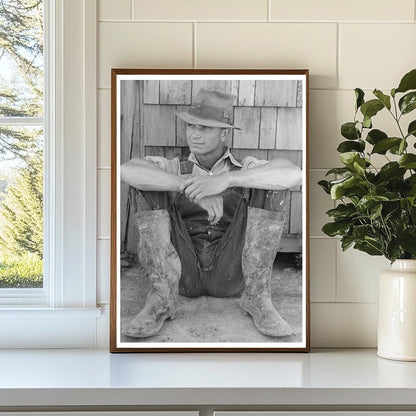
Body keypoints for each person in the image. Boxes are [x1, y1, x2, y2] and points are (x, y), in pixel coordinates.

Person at [120, 89, 302, 339]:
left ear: (224, 133)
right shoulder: (175, 168)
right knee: (147, 184)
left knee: (268, 185)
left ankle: (257, 297)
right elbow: (127, 170)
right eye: (191, 126)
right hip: (182, 272)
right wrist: (187, 186)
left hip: (230, 272)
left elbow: (292, 174)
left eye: (205, 128)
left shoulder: (243, 168)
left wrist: (226, 180)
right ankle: (161, 299)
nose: (194, 134)